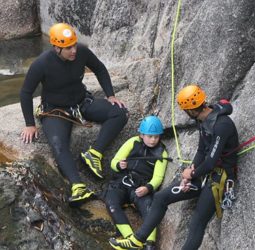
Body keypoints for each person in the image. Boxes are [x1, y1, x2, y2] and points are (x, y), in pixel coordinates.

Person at [109, 84, 239, 250]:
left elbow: (211, 161)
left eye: (185, 111)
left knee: (197, 221)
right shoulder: (203, 120)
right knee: (160, 197)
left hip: (219, 178)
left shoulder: (222, 125)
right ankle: (138, 239)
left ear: (191, 110)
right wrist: (188, 174)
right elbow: (201, 151)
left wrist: (191, 175)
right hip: (202, 173)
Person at [20, 23, 128, 204]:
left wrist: (110, 95)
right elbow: (25, 92)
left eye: (74, 45)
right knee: (58, 144)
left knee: (120, 113)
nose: (73, 51)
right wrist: (30, 123)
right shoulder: (42, 64)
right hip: (56, 111)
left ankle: (94, 154)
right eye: (68, 48)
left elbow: (100, 68)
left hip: (81, 103)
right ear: (56, 48)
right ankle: (78, 186)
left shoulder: (82, 52)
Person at [105, 115, 169, 250]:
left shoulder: (161, 153)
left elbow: (158, 177)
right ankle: (129, 238)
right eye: (150, 136)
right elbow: (114, 161)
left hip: (141, 187)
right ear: (141, 135)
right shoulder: (132, 142)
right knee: (111, 202)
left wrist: (148, 188)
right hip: (123, 182)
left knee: (150, 209)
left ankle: (149, 244)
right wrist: (119, 165)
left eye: (156, 137)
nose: (153, 140)